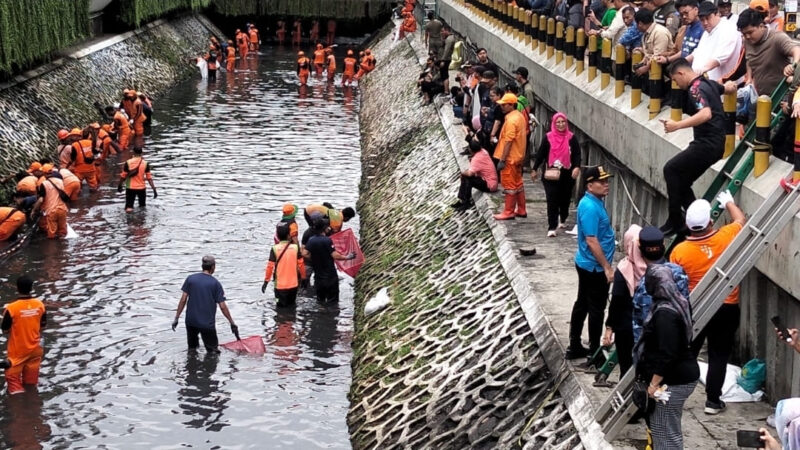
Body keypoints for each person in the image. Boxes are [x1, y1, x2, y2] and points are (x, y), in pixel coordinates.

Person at [669, 192, 746, 414]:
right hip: (726, 305)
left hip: (696, 307)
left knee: (688, 353)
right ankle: (713, 401)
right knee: (718, 354)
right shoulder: (726, 236)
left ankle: (676, 396)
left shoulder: (679, 252)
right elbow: (741, 220)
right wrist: (729, 202)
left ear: (688, 225)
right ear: (710, 222)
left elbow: (676, 283)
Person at [659, 58, 727, 234]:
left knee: (670, 169)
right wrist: (732, 87)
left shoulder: (695, 89)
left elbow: (705, 113)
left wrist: (677, 125)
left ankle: (675, 220)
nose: (676, 84)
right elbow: (726, 88)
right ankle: (698, 220)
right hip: (716, 144)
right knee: (681, 182)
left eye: (675, 80)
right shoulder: (708, 83)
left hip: (707, 144)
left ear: (681, 73)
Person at [635, 264, 699, 449]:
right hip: (680, 375)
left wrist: (654, 384)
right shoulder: (677, 302)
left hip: (673, 380)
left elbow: (668, 353)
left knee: (664, 432)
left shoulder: (665, 314)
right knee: (667, 429)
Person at [566, 165, 615, 360]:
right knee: (596, 309)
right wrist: (607, 267)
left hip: (588, 263)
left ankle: (575, 345)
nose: (606, 185)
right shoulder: (590, 207)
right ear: (589, 185)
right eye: (601, 182)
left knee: (583, 304)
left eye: (607, 181)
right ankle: (595, 352)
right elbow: (591, 240)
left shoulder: (594, 202)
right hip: (594, 267)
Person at [602, 225, 645, 376]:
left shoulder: (624, 269)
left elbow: (616, 302)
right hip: (649, 327)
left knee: (626, 368)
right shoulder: (656, 267)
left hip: (626, 327)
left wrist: (609, 328)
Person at [172, 256, 238, 353]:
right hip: (207, 324)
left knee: (192, 349)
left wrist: (176, 318)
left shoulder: (190, 279)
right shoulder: (215, 284)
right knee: (213, 352)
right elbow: (222, 307)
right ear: (213, 267)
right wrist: (232, 322)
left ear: (202, 266)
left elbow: (183, 300)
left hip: (191, 321)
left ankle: (191, 362)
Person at [531, 112, 581, 236]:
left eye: (563, 122)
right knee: (552, 199)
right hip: (551, 174)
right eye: (558, 122)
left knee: (565, 198)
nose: (561, 124)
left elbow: (577, 154)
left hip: (567, 174)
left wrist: (576, 167)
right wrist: (534, 169)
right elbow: (541, 154)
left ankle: (563, 217)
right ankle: (552, 227)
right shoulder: (548, 137)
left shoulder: (571, 138)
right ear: (554, 123)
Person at [732, 8, 800, 99]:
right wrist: (749, 78)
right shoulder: (747, 41)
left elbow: (796, 50)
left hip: (781, 97)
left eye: (750, 32)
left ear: (761, 26)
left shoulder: (777, 38)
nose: (747, 36)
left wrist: (793, 66)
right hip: (760, 97)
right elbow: (749, 59)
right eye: (744, 34)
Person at [1, 276, 46, 395]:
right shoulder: (40, 305)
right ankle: (32, 402)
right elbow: (42, 326)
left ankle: (19, 404)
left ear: (17, 288)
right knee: (31, 385)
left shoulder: (12, 308)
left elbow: (5, 330)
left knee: (15, 389)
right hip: (35, 350)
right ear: (31, 288)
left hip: (17, 353)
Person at [493, 93, 529, 221]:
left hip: (510, 158)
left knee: (509, 186)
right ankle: (521, 209)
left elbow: (508, 141)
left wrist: (502, 160)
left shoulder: (511, 120)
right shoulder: (519, 116)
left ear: (511, 105)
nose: (502, 107)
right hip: (518, 156)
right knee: (518, 183)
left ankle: (508, 211)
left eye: (504, 105)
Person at [302, 218, 356, 303]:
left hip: (318, 279)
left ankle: (321, 311)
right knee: (333, 302)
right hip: (330, 278)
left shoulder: (311, 240)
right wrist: (347, 257)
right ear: (324, 228)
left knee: (320, 301)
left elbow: (304, 253)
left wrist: (315, 258)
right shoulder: (327, 240)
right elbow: (335, 255)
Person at [262, 224, 307, 307]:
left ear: (278, 236)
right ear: (288, 235)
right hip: (293, 285)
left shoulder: (275, 249)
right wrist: (304, 278)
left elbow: (270, 266)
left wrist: (266, 282)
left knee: (279, 307)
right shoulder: (295, 248)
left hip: (280, 287)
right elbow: (301, 264)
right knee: (292, 306)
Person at [452, 139, 498, 211]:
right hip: (492, 181)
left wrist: (462, 173)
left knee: (467, 178)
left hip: (489, 185)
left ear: (471, 149)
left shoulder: (476, 159)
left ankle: (465, 202)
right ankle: (462, 200)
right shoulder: (483, 151)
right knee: (466, 177)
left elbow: (470, 174)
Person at [634, 9, 674, 77]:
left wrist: (646, 68)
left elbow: (658, 56)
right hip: (652, 68)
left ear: (640, 23)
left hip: (663, 71)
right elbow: (649, 52)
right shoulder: (647, 32)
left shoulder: (659, 32)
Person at [118, 147, 157, 213]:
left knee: (129, 208)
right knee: (142, 207)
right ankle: (142, 219)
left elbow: (123, 176)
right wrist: (154, 189)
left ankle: (129, 218)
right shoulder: (145, 163)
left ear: (133, 152)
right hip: (142, 188)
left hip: (130, 187)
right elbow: (149, 178)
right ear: (141, 153)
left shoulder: (128, 162)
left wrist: (120, 185)